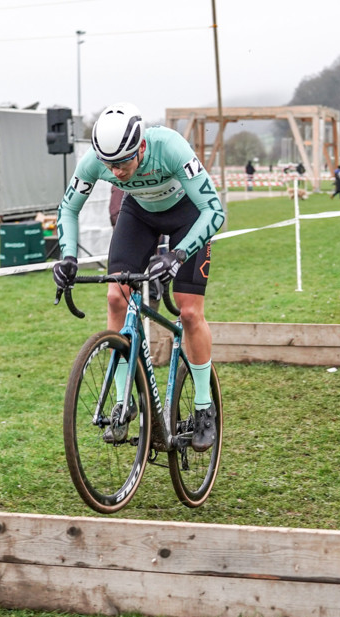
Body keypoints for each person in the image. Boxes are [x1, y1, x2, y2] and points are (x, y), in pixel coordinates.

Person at [52, 102, 225, 452]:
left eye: (123, 163)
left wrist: (177, 255)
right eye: (109, 165)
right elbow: (68, 208)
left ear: (141, 147)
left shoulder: (170, 147)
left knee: (189, 311)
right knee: (116, 296)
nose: (116, 172)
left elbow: (215, 211)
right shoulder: (95, 162)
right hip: (140, 214)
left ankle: (204, 406)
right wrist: (68, 256)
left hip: (188, 216)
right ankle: (123, 401)